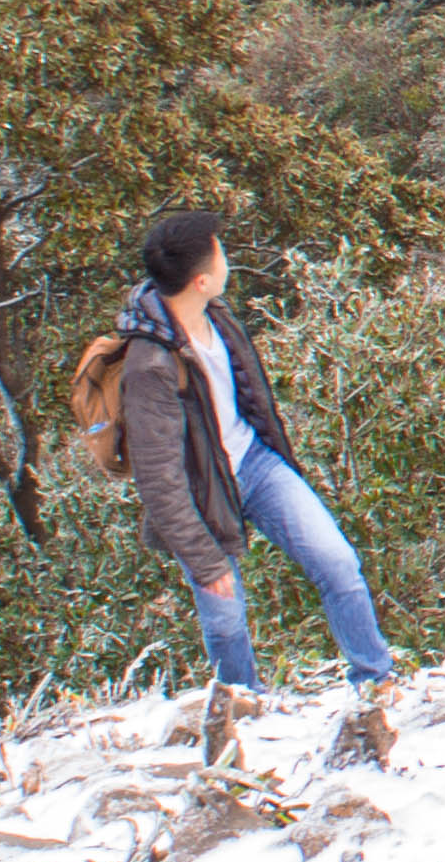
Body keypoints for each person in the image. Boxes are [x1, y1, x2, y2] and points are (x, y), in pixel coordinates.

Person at [115, 206, 397, 691]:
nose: (226, 259)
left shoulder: (216, 317)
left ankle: (375, 680)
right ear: (201, 279)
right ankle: (243, 710)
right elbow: (159, 481)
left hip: (255, 463)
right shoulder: (149, 366)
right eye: (219, 253)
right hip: (201, 492)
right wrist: (204, 560)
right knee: (225, 621)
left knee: (338, 563)